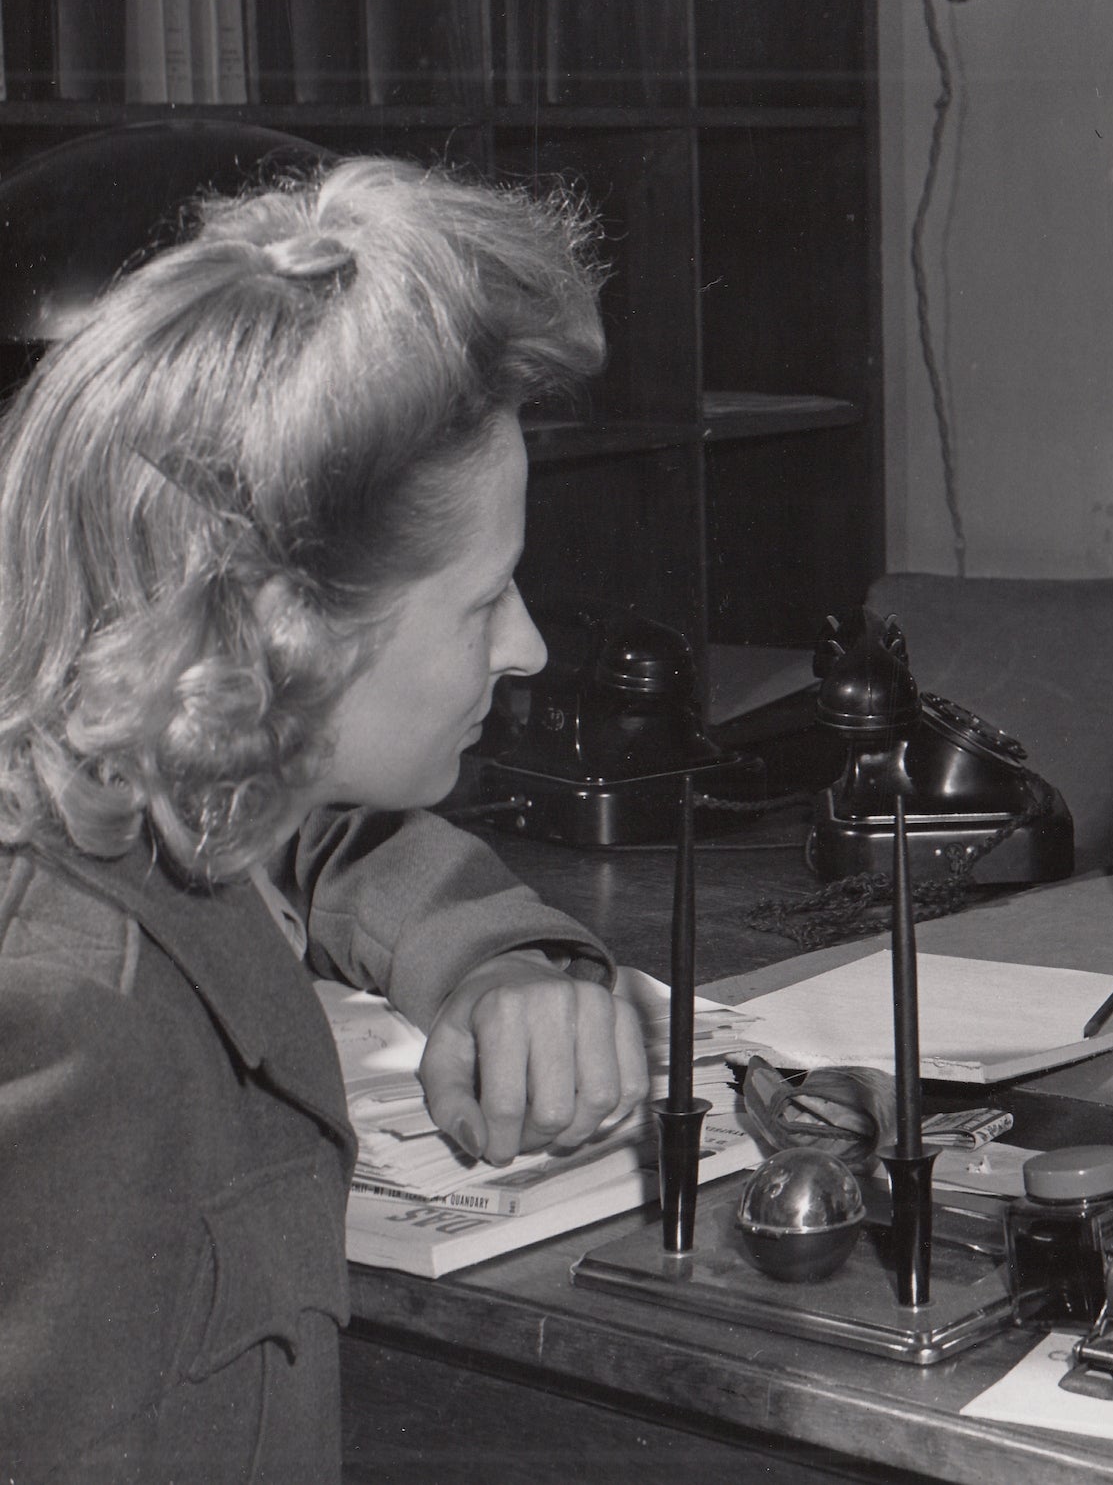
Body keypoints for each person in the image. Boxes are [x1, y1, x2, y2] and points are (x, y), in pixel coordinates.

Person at [0, 158, 652, 1480]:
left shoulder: (138, 791)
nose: (525, 646)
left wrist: (493, 953)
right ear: (289, 626)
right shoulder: (83, 1019)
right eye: (483, 599)